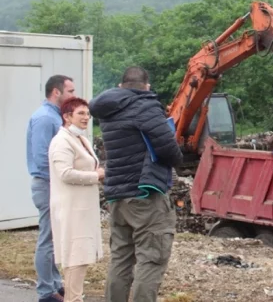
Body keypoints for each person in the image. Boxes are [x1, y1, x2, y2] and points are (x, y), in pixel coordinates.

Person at [89, 66, 183, 302]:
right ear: (147, 87)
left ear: (121, 86)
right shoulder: (145, 105)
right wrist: (178, 160)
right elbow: (167, 148)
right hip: (144, 196)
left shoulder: (108, 109)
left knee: (120, 259)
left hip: (117, 196)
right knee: (151, 260)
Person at [48, 97, 105, 302]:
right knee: (75, 258)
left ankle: (75, 298)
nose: (86, 117)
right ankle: (73, 299)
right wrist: (96, 176)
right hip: (71, 209)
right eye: (80, 113)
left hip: (83, 208)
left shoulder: (81, 138)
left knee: (81, 258)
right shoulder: (61, 141)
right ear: (67, 116)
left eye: (88, 114)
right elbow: (64, 173)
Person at [26, 74, 75, 302]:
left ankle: (55, 284)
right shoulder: (46, 118)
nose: (73, 96)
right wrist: (61, 180)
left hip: (51, 185)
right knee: (47, 239)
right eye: (70, 91)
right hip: (47, 185)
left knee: (54, 238)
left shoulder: (53, 116)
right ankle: (46, 291)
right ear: (56, 92)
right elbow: (42, 157)